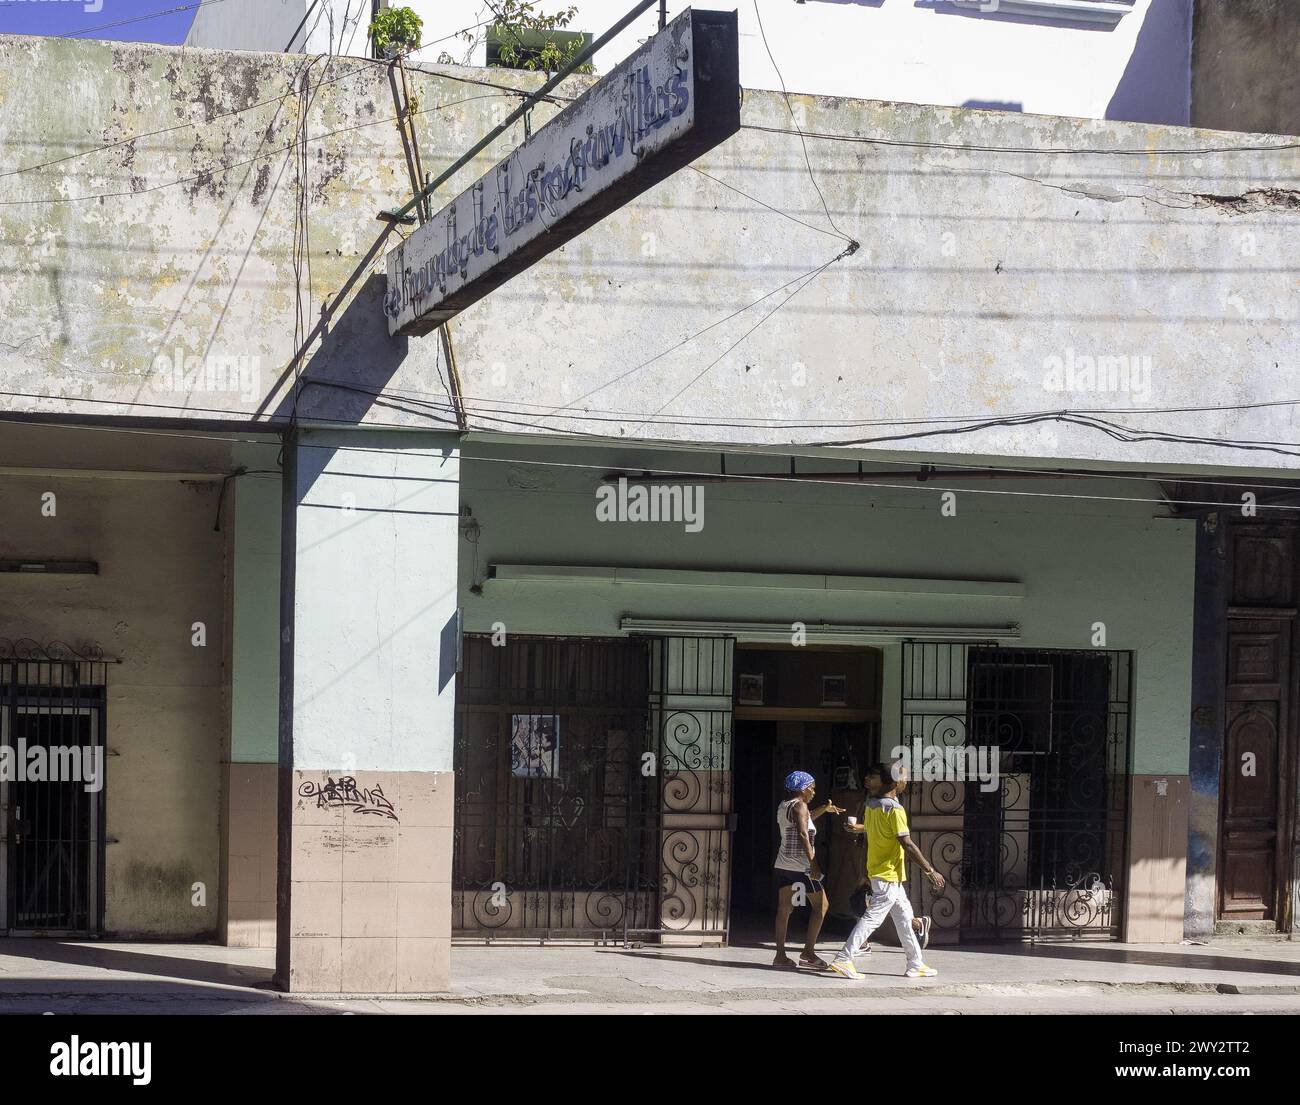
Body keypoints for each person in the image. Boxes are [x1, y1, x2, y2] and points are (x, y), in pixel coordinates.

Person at [829, 761, 944, 979]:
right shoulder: (895, 809)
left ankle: (915, 963)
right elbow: (907, 843)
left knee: (905, 919)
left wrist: (864, 869)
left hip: (884, 874)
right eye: (904, 778)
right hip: (888, 874)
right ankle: (844, 958)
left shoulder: (872, 804)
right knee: (872, 918)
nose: (906, 781)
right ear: (894, 782)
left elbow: (870, 835)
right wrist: (930, 870)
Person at [772, 770, 844, 970]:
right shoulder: (800, 805)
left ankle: (780, 955)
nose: (813, 792)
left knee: (784, 909)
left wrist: (824, 808)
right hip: (801, 866)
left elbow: (805, 819)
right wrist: (813, 863)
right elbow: (804, 833)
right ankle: (809, 953)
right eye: (811, 788)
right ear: (803, 789)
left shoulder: (785, 806)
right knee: (821, 906)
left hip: (783, 864)